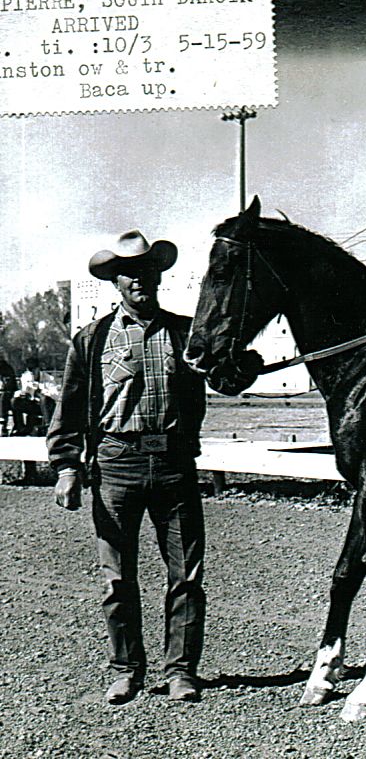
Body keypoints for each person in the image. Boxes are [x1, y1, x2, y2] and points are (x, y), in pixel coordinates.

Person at [47, 230, 207, 706]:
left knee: (187, 575)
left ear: (158, 277)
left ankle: (181, 672)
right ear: (115, 281)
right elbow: (71, 406)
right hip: (117, 464)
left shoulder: (186, 332)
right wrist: (66, 466)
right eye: (130, 273)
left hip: (175, 465)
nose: (140, 280)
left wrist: (243, 362)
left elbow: (221, 372)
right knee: (117, 577)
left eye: (148, 272)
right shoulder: (93, 340)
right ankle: (126, 669)